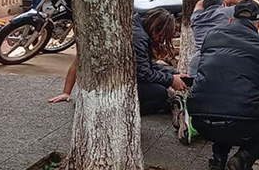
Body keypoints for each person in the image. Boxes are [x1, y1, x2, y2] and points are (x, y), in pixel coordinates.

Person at [188, 0, 259, 170]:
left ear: (231, 20)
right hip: (240, 124)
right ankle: (243, 158)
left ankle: (218, 157)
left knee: (224, 104)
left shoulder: (211, 37)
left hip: (199, 120)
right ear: (257, 24)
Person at [49, 9, 188, 115]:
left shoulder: (134, 25)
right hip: (106, 87)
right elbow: (143, 73)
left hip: (104, 84)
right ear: (156, 29)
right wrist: (170, 79)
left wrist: (174, 74)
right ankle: (120, 111)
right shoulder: (138, 37)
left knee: (159, 88)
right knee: (159, 93)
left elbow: (144, 65)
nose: (161, 41)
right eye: (162, 37)